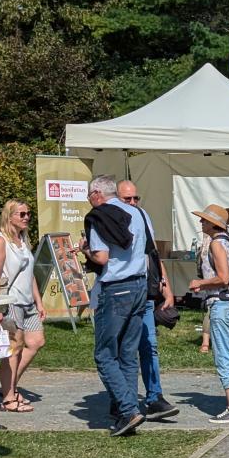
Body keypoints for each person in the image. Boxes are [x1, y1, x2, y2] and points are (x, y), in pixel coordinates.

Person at [84, 177, 148, 436]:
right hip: (139, 284)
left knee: (105, 354)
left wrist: (85, 250)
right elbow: (148, 250)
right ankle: (128, 411)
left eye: (89, 195)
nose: (89, 200)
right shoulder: (138, 213)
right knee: (128, 353)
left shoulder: (98, 217)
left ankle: (128, 408)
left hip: (116, 287)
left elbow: (101, 257)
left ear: (97, 193)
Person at [119, 181, 180, 422]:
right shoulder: (112, 218)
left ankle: (154, 397)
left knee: (149, 345)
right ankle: (125, 401)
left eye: (136, 198)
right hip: (123, 292)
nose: (133, 203)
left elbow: (153, 253)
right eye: (128, 199)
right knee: (124, 348)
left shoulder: (143, 216)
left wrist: (166, 286)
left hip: (145, 291)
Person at [188, 203, 229, 423]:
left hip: (222, 304)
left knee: (222, 356)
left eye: (204, 220)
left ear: (214, 225)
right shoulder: (227, 242)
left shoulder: (216, 244)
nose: (201, 222)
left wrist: (201, 283)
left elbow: (223, 278)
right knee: (228, 353)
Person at [0, 200, 45, 414]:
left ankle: (9, 386)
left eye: (28, 213)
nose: (26, 217)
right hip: (11, 301)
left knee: (36, 342)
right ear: (9, 216)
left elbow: (30, 275)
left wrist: (38, 301)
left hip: (27, 301)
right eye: (21, 214)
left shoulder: (22, 239)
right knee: (14, 348)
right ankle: (8, 397)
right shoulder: (0, 241)